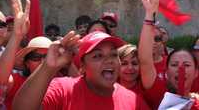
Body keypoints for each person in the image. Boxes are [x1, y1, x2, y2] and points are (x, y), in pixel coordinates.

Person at [13, 31, 150, 110]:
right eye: (98, 56)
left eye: (114, 55)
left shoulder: (133, 101)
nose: (109, 60)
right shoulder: (63, 88)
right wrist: (47, 67)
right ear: (82, 66)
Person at [138, 0, 199, 109]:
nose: (180, 69)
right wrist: (150, 13)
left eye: (187, 65)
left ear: (196, 73)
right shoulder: (158, 91)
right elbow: (145, 61)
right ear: (167, 71)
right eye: (174, 64)